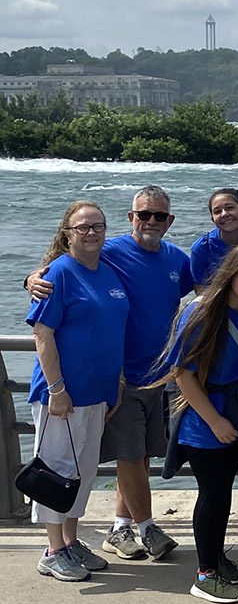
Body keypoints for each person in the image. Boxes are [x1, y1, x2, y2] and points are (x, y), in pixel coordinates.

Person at [25, 186, 192, 561]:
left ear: (170, 221)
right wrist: (32, 277)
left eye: (159, 216)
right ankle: (124, 532)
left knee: (124, 460)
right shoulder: (110, 252)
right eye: (143, 215)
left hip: (144, 379)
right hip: (113, 381)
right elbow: (59, 270)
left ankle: (113, 528)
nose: (151, 221)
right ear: (130, 218)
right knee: (113, 460)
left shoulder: (174, 260)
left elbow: (204, 294)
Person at [157, 243, 238, 603]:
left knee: (224, 490)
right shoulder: (202, 313)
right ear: (230, 274)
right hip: (204, 413)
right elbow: (182, 374)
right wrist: (215, 421)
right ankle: (204, 575)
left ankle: (216, 557)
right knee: (213, 493)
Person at [27, 201, 130, 582]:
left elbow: (115, 332)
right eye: (82, 227)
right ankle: (53, 550)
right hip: (62, 397)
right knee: (57, 470)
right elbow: (43, 333)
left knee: (84, 473)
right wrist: (57, 389)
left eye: (97, 227)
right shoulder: (59, 273)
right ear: (67, 233)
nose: (91, 233)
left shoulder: (109, 271)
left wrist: (117, 381)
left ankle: (70, 541)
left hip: (98, 393)